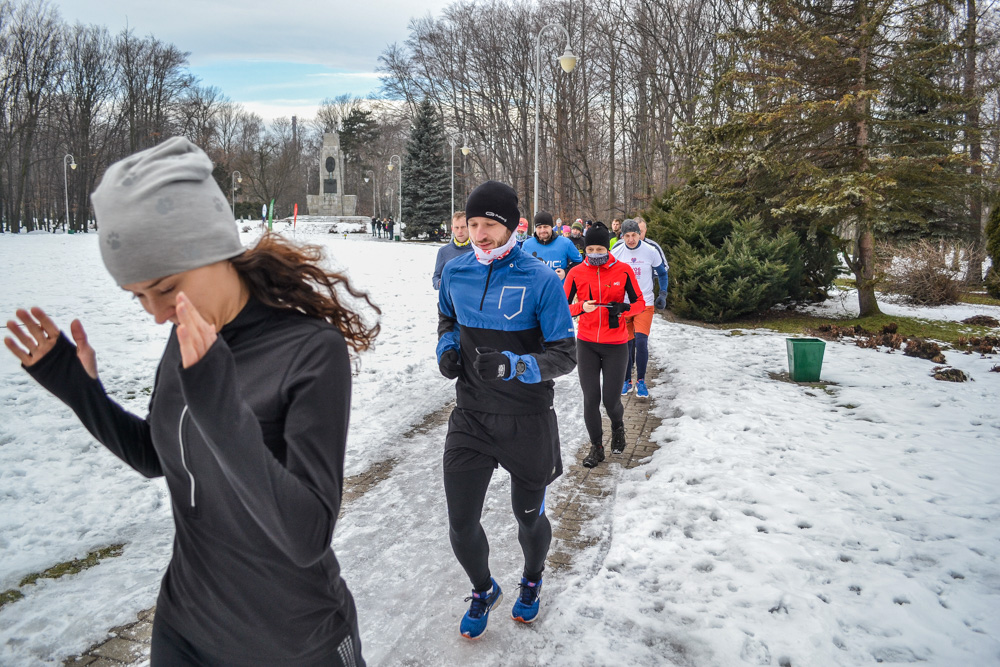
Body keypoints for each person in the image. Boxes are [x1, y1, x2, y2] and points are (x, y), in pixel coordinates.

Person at [3, 137, 375, 666]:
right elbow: (159, 457)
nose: (156, 314)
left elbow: (307, 534)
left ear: (213, 251)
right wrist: (80, 391)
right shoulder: (186, 338)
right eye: (138, 297)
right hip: (185, 632)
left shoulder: (310, 351)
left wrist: (219, 407)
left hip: (295, 642)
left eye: (164, 287)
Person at [436, 180, 577, 639]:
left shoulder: (540, 278)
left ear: (511, 225)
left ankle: (532, 578)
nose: (479, 233)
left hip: (527, 420)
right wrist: (447, 347)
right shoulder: (456, 272)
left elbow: (565, 353)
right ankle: (483, 590)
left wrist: (516, 365)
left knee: (528, 517)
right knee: (460, 523)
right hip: (472, 415)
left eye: (489, 224)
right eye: (472, 223)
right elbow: (447, 320)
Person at [563, 222, 645, 468]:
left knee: (610, 401)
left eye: (600, 249)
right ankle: (596, 448)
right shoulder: (576, 273)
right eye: (591, 250)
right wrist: (580, 308)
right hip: (587, 343)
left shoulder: (623, 270)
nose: (596, 254)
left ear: (607, 248)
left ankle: (618, 427)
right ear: (585, 250)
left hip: (616, 345)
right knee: (591, 398)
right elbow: (560, 307)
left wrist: (626, 308)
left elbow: (641, 302)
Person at [611, 218, 668, 398]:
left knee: (641, 341)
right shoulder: (616, 251)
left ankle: (641, 381)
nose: (631, 239)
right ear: (622, 236)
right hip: (624, 305)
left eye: (634, 235)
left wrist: (663, 294)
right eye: (627, 236)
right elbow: (607, 275)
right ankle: (626, 380)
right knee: (627, 344)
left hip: (645, 303)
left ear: (639, 234)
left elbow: (662, 272)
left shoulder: (650, 251)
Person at [521, 211, 582, 280]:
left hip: (558, 288)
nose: (542, 230)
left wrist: (566, 272)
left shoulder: (565, 243)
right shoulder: (527, 244)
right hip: (535, 289)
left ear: (551, 227)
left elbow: (579, 262)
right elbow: (520, 265)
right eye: (539, 227)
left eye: (545, 227)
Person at [432, 210, 472, 289]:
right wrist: (441, 284)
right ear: (452, 228)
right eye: (456, 227)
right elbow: (436, 278)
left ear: (469, 226)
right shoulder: (443, 251)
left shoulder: (478, 250)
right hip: (449, 300)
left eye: (463, 227)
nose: (460, 231)